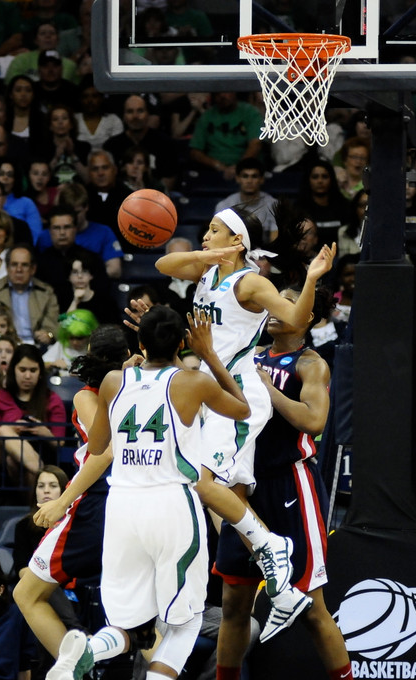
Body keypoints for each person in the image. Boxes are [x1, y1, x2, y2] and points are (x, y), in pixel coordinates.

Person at [47, 305, 254, 680]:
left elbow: (97, 446)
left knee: (135, 626)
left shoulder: (113, 382)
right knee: (186, 622)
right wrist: (208, 354)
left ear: (139, 344)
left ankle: (89, 650)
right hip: (170, 502)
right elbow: (243, 410)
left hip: (122, 507)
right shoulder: (192, 381)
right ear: (181, 344)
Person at [156, 207, 335, 632]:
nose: (205, 236)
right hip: (213, 388)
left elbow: (294, 318)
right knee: (229, 496)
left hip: (239, 393)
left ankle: (272, 548)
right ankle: (282, 589)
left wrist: (311, 279)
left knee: (203, 483)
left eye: (214, 230)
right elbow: (164, 263)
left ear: (237, 240)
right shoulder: (207, 273)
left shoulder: (250, 282)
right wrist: (205, 256)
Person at [215, 287, 352, 679]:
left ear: (307, 316)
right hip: (245, 486)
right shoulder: (251, 354)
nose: (274, 309)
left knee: (312, 608)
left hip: (291, 484)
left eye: (288, 303)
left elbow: (314, 421)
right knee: (234, 603)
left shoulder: (311, 364)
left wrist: (268, 389)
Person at [13, 325, 128, 663]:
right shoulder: (142, 383)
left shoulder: (86, 395)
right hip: (138, 499)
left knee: (27, 594)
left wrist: (62, 501)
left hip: (98, 500)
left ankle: (74, 669)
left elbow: (103, 452)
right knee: (136, 619)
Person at [0, 344, 67, 485]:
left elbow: (60, 443)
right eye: (22, 370)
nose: (27, 376)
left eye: (33, 370)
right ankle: (43, 476)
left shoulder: (52, 399)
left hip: (42, 452)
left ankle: (38, 481)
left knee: (13, 462)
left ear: (40, 372)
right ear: (13, 370)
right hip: (1, 457)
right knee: (4, 430)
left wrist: (44, 432)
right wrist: (12, 429)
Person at [0, 244, 60, 346]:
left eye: (24, 265)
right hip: (3, 345)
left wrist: (48, 335)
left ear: (33, 269)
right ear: (7, 267)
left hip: (37, 346)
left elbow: (52, 326)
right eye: (14, 265)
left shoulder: (46, 292)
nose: (19, 270)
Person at [188, 91, 263, 179]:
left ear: (234, 92)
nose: (222, 96)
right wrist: (218, 166)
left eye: (226, 92)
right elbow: (195, 151)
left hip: (247, 171)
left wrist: (238, 167)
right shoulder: (207, 116)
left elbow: (255, 144)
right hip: (213, 172)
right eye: (218, 93)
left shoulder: (250, 112)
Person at [214, 157, 279, 242]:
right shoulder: (224, 206)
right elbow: (219, 239)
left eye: (254, 176)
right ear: (237, 179)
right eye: (245, 176)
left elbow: (275, 239)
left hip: (264, 249)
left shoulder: (273, 205)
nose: (249, 181)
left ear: (262, 179)